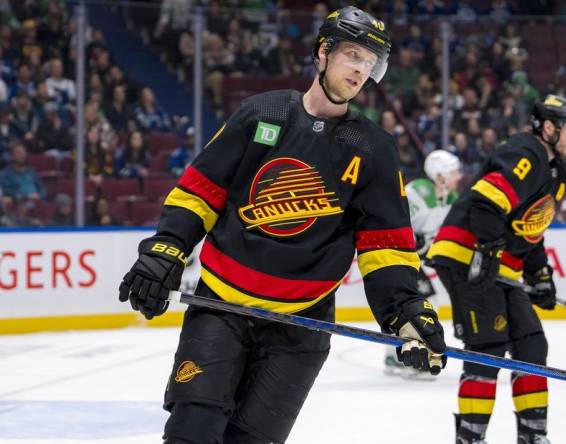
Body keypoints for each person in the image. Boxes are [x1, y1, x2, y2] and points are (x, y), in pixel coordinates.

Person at [117, 7, 446, 444]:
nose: (360, 70)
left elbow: (384, 246)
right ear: (323, 52)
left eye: (369, 63)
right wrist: (166, 249)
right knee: (190, 433)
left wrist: (406, 313)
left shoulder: (373, 149)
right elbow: (201, 192)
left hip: (302, 326)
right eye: (352, 55)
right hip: (221, 307)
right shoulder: (262, 113)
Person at [427, 95, 566, 444]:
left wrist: (539, 274)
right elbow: (486, 203)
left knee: (531, 344)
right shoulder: (524, 153)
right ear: (549, 128)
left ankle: (532, 435)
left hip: (496, 264)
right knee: (487, 346)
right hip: (466, 257)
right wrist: (486, 252)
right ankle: (470, 437)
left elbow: (529, 231)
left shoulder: (554, 173)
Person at [384, 149, 462, 378]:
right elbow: (391, 219)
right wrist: (409, 238)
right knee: (419, 302)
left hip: (412, 259)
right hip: (396, 256)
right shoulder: (416, 192)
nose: (458, 176)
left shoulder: (450, 198)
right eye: (453, 172)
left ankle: (397, 353)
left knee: (417, 303)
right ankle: (407, 354)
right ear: (439, 176)